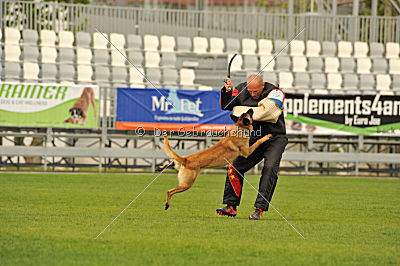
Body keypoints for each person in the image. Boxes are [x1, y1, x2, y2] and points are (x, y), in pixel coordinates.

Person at [216, 74, 288, 220]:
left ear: (263, 86)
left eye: (256, 92)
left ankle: (259, 209)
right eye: (250, 91)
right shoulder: (241, 89)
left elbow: (267, 113)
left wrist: (240, 110)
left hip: (275, 138)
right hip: (255, 137)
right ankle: (231, 206)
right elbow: (226, 106)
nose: (252, 94)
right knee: (234, 167)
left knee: (269, 168)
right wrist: (227, 91)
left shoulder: (275, 92)